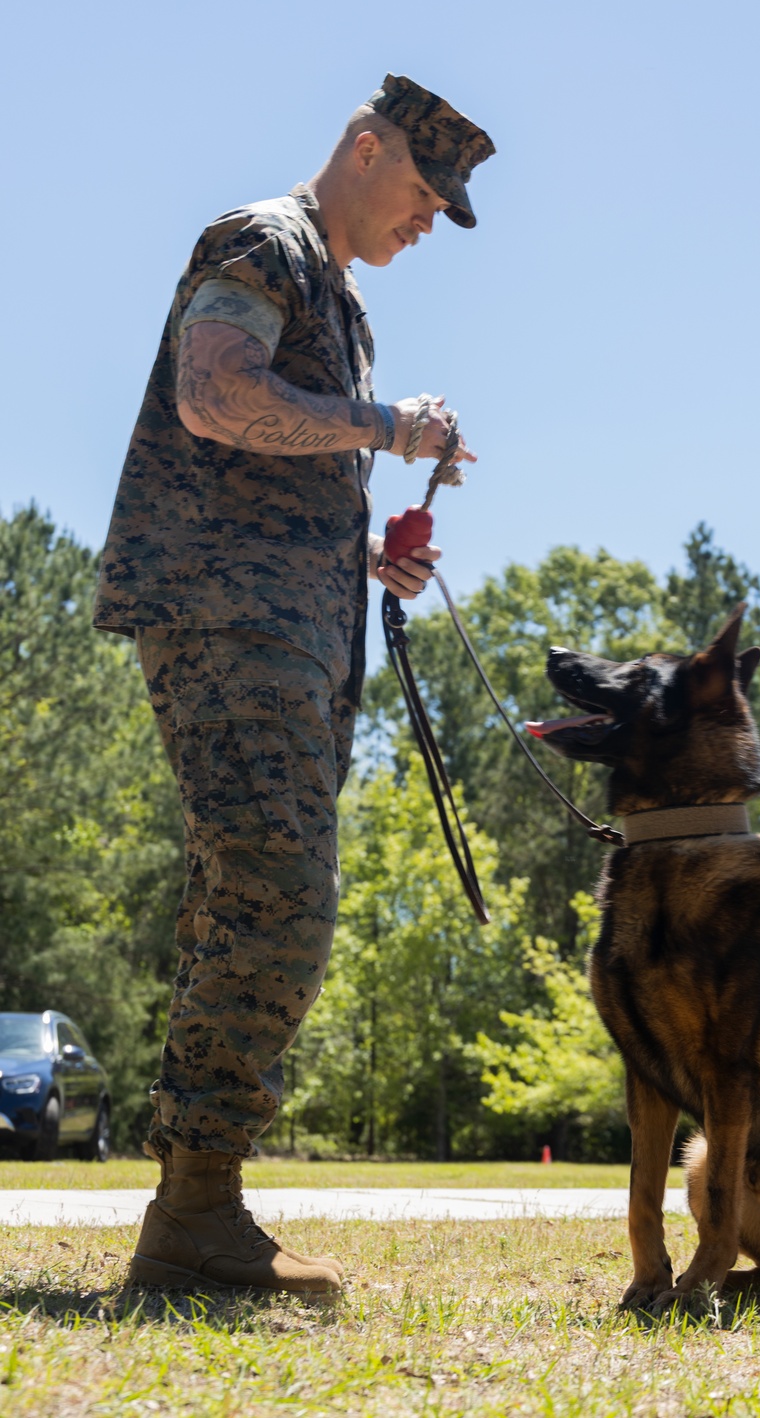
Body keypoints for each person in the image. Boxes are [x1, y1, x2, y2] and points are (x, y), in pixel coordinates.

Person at [92, 75, 496, 1293]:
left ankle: (195, 1201)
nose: (429, 221)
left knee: (247, 898)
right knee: (279, 895)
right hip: (227, 616)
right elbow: (211, 395)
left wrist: (367, 548)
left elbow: (274, 444)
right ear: (364, 151)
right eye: (424, 193)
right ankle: (197, 1216)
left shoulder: (344, 294)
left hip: (287, 621)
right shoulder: (265, 238)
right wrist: (384, 428)